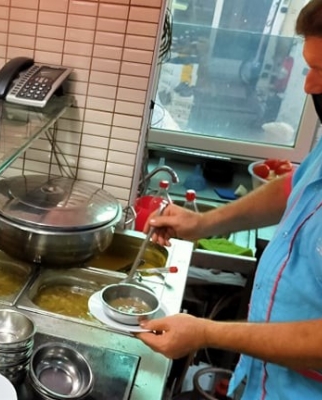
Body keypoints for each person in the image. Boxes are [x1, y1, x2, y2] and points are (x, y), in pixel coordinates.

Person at [136, 1, 322, 398]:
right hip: (263, 381)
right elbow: (293, 187)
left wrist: (206, 332)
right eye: (309, 68)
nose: (308, 86)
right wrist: (203, 223)